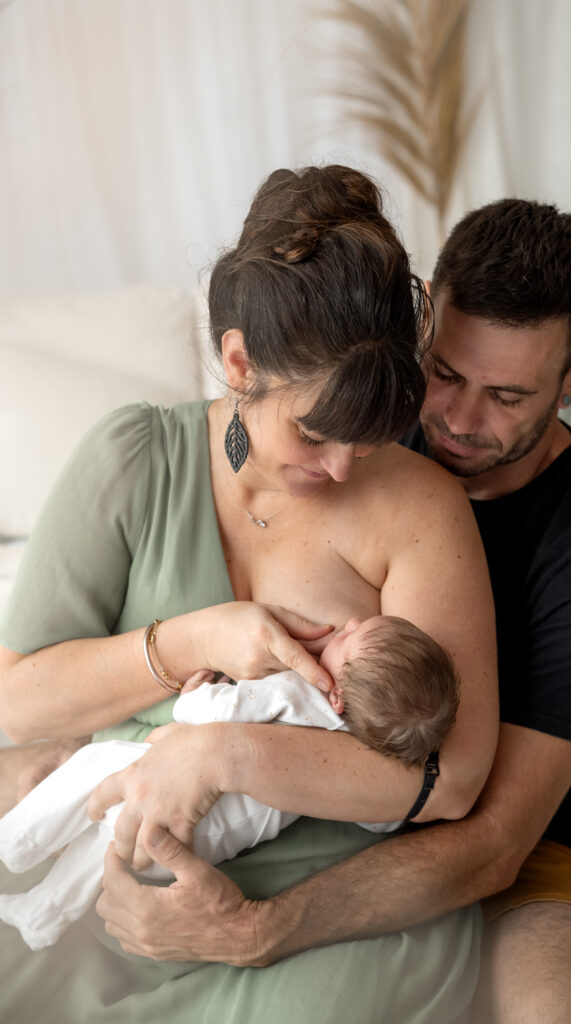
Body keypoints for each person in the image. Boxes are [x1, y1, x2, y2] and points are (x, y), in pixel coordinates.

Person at [84, 199, 571, 1024]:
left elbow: (492, 839)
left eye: (506, 395)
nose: (457, 421)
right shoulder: (351, 437)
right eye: (446, 373)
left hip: (520, 845)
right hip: (309, 807)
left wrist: (262, 929)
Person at [0, 166, 497, 1023]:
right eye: (314, 431)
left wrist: (221, 757)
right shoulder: (131, 462)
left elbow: (448, 778)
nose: (341, 467)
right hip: (108, 856)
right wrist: (198, 640)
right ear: (239, 360)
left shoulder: (420, 506)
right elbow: (19, 701)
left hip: (322, 906)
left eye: (368, 440)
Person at [0, 614, 459, 950]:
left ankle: (15, 839)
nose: (351, 621)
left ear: (336, 694)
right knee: (106, 849)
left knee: (94, 762)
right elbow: (379, 820)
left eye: (353, 637)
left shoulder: (299, 693)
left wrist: (197, 692)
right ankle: (44, 913)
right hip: (205, 847)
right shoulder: (358, 754)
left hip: (183, 799)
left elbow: (211, 716)